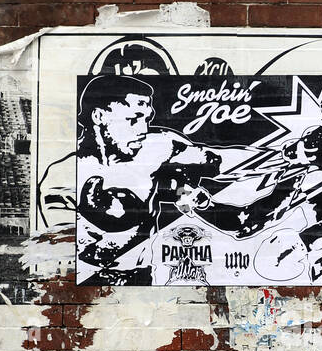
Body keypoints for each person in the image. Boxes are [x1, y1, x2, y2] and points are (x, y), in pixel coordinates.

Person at [38, 76, 223, 283]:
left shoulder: (152, 156)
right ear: (99, 116)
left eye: (146, 119)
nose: (143, 130)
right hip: (89, 289)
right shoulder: (62, 177)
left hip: (144, 280)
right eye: (133, 119)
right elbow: (72, 256)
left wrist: (186, 192)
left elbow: (207, 166)